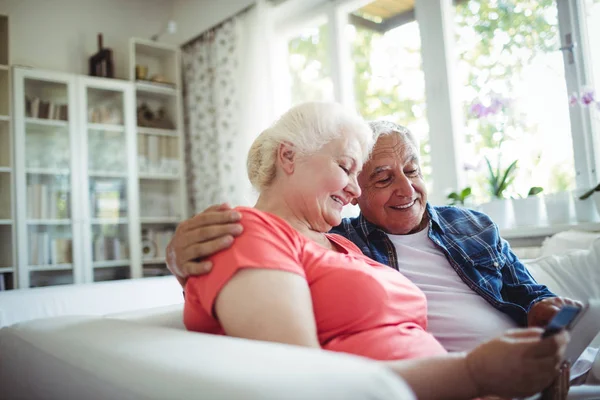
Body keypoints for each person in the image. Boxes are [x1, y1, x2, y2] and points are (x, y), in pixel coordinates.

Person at [182, 101, 569, 400]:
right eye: (348, 168)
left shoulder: (342, 243)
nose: (354, 192)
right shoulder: (247, 230)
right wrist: (472, 374)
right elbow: (300, 378)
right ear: (289, 157)